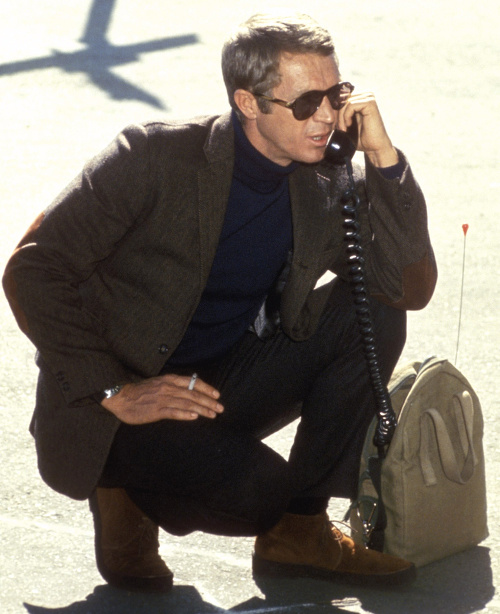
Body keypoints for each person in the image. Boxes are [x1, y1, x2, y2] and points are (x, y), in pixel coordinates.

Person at [3, 12, 437, 593]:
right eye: (306, 103)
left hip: (220, 381)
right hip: (122, 403)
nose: (327, 117)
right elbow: (33, 268)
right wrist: (114, 390)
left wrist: (385, 161)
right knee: (259, 494)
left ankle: (300, 532)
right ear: (248, 102)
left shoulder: (324, 179)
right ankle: (124, 484)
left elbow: (406, 289)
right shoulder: (153, 155)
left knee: (374, 314)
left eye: (336, 95)